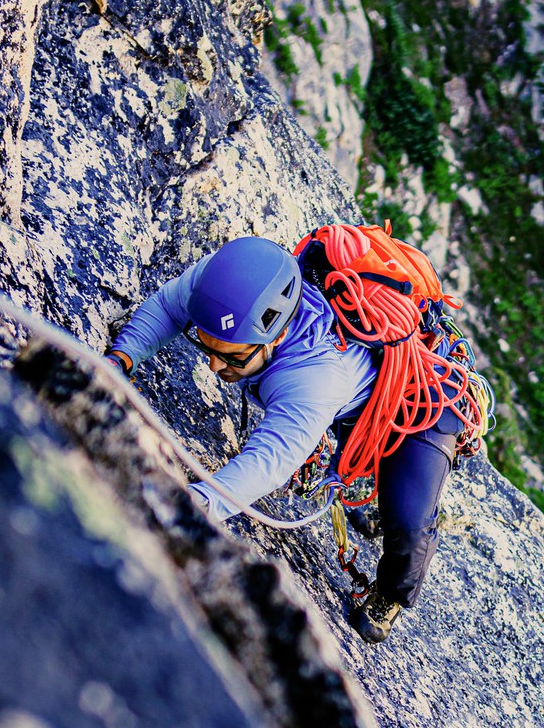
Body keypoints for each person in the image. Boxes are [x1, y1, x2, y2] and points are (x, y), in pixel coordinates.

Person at [106, 235, 463, 642]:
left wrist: (194, 505)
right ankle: (367, 490)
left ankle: (392, 594)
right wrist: (122, 358)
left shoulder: (314, 380)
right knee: (349, 448)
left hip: (421, 398)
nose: (213, 365)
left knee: (409, 517)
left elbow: (268, 462)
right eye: (206, 346)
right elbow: (170, 307)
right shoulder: (229, 292)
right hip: (351, 385)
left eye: (232, 357)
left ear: (275, 337)